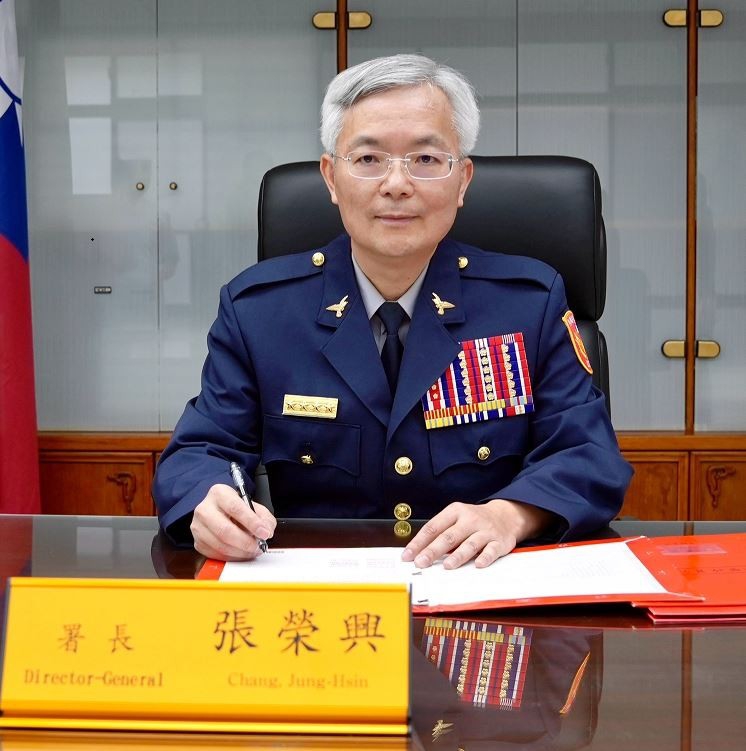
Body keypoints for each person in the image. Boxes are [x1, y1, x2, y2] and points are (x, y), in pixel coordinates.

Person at [153, 54, 632, 568]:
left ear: (463, 180)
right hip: (322, 591)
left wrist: (510, 515)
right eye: (368, 159)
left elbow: (587, 456)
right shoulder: (259, 313)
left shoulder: (528, 304)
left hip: (479, 585)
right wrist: (208, 502)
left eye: (425, 159)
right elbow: (200, 452)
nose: (397, 183)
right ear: (331, 178)